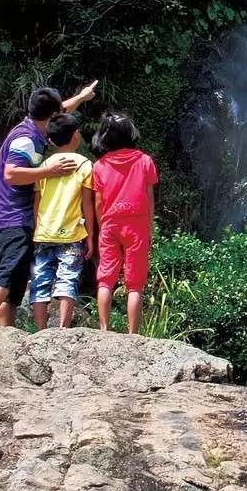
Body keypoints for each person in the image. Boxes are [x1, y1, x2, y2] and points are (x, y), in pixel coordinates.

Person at [0, 81, 98, 327]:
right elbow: (11, 174)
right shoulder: (25, 139)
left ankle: (5, 332)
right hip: (7, 216)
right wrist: (50, 170)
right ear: (52, 115)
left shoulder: (38, 126)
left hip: (15, 216)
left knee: (18, 280)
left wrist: (81, 96)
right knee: (9, 271)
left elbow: (62, 109)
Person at [91, 110, 157, 335]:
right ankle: (132, 334)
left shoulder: (99, 165)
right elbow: (149, 198)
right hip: (137, 224)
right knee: (135, 283)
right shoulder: (145, 161)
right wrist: (150, 227)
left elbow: (98, 201)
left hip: (110, 223)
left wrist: (102, 225)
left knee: (105, 279)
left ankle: (104, 328)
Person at [29, 113, 96, 331]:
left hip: (44, 231)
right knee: (68, 279)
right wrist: (91, 235)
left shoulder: (44, 165)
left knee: (40, 281)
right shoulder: (85, 165)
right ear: (76, 136)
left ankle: (40, 330)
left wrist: (35, 228)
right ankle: (62, 329)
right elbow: (87, 203)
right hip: (71, 233)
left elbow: (37, 202)